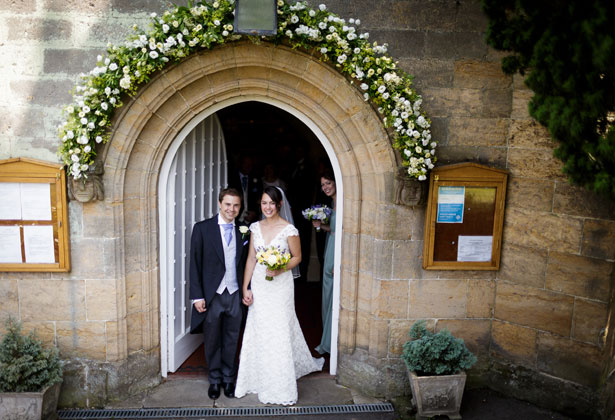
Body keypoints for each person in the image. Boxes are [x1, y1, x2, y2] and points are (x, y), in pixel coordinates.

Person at [235, 186, 324, 405]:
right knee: (259, 327)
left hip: (280, 285)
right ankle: (255, 378)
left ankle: (280, 383)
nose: (267, 207)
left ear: (279, 205)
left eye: (271, 203)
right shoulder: (254, 227)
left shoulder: (289, 230)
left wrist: (281, 267)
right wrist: (246, 287)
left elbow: (298, 257)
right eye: (264, 203)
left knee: (279, 328)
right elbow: (250, 260)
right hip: (259, 283)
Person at [189, 188, 249, 400]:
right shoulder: (203, 229)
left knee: (232, 338)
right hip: (212, 294)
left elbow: (247, 262)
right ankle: (214, 380)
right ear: (219, 204)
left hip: (234, 292)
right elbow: (194, 265)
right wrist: (197, 296)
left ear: (240, 207)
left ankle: (228, 378)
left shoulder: (244, 229)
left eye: (236, 205)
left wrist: (247, 288)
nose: (231, 209)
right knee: (213, 339)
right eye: (228, 204)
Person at [311, 172, 336, 355]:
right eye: (323, 184)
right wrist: (320, 226)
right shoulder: (333, 203)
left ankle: (330, 342)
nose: (325, 187)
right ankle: (326, 340)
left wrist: (341, 262)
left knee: (333, 295)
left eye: (328, 183)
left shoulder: (344, 202)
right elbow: (334, 230)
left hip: (337, 253)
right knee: (327, 295)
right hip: (330, 248)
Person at [229, 155, 261, 224]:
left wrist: (254, 212)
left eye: (250, 164)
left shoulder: (256, 179)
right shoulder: (231, 178)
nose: (248, 166)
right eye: (246, 163)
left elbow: (259, 198)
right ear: (240, 164)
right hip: (234, 217)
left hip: (251, 219)